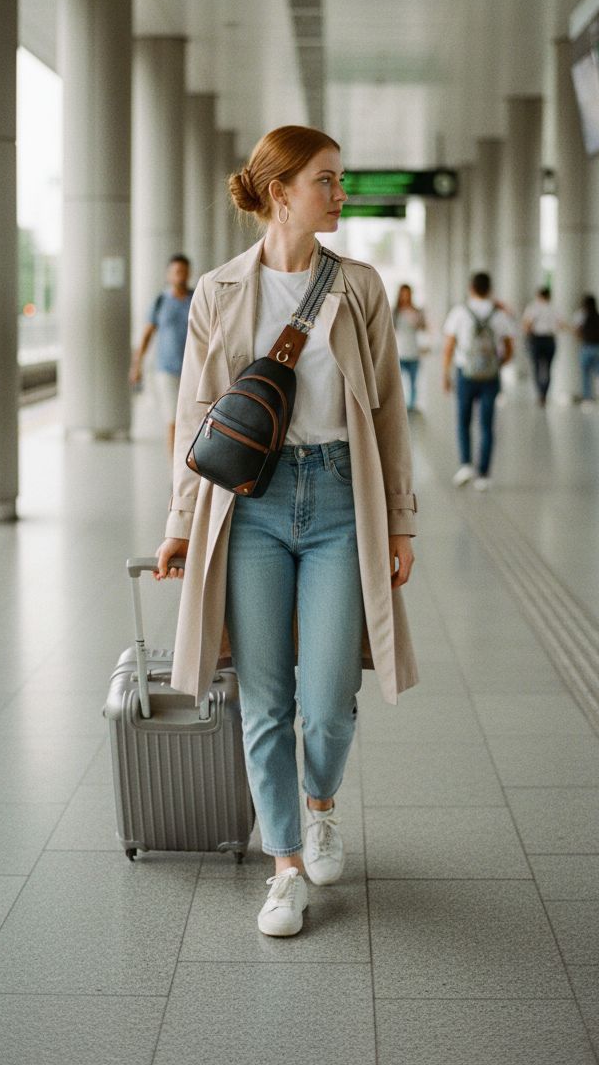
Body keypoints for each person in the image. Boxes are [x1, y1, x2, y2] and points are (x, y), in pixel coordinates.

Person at [154, 125, 418, 938]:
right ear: (281, 194)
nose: (341, 195)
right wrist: (180, 525)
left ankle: (321, 805)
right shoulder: (219, 293)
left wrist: (400, 520)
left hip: (341, 500)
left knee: (331, 699)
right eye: (328, 182)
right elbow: (195, 419)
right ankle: (286, 868)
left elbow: (387, 410)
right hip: (251, 508)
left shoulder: (362, 288)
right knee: (264, 701)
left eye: (341, 182)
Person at [442, 271, 515, 491]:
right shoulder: (499, 315)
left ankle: (465, 465)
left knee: (463, 421)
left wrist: (445, 374)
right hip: (491, 377)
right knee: (487, 424)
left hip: (465, 373)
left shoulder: (460, 312)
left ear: (471, 288)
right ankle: (484, 474)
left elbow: (449, 347)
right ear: (490, 289)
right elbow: (510, 348)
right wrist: (496, 364)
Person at [129, 255, 193, 456]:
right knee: (173, 421)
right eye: (176, 272)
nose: (180, 276)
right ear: (169, 275)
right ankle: (174, 472)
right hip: (167, 370)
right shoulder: (161, 301)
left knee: (192, 421)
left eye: (183, 271)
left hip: (193, 369)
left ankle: (190, 466)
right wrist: (136, 366)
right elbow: (147, 335)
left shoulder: (196, 298)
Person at [522, 285, 560, 406]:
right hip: (550, 339)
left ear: (539, 295)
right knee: (548, 368)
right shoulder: (554, 309)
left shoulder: (533, 308)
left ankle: (540, 393)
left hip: (536, 340)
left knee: (537, 368)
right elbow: (560, 324)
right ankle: (544, 393)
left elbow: (527, 326)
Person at [393, 283, 427, 412]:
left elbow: (423, 327)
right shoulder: (395, 312)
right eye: (403, 294)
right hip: (399, 352)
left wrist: (418, 319)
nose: (405, 296)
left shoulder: (416, 311)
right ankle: (399, 405)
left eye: (407, 294)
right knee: (398, 383)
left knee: (413, 382)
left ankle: (412, 405)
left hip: (413, 351)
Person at [573, 293, 599, 408]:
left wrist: (581, 337)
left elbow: (577, 331)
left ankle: (588, 398)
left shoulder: (583, 316)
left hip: (587, 347)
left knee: (586, 375)